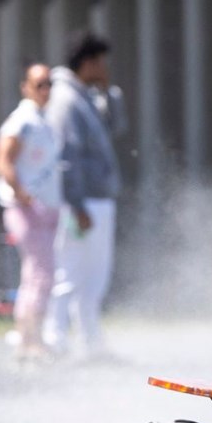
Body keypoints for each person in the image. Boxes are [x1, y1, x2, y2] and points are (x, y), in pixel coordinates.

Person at [44, 31, 126, 359]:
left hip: (97, 199)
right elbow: (66, 157)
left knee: (95, 274)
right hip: (81, 202)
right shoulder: (65, 100)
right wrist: (76, 204)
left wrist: (108, 93)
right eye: (100, 61)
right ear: (87, 62)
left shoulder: (86, 96)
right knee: (70, 271)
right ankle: (55, 338)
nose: (105, 68)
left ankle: (90, 340)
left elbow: (115, 128)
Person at [0, 63, 64, 364]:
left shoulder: (43, 121)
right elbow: (2, 162)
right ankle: (29, 339)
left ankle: (32, 338)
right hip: (27, 210)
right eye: (39, 84)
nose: (45, 90)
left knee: (40, 275)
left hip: (46, 209)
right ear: (25, 87)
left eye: (49, 84)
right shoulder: (21, 121)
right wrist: (24, 196)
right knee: (39, 273)